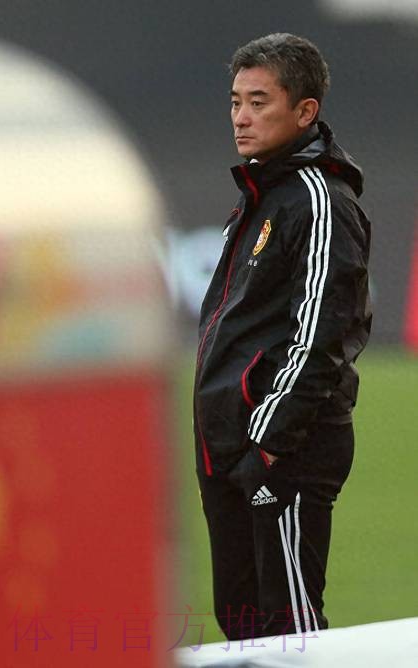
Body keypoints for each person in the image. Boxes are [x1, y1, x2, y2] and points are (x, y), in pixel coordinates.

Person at [193, 33, 371, 640]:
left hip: (282, 451)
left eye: (258, 102)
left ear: (304, 111)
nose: (240, 117)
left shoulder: (320, 201)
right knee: (242, 629)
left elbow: (322, 332)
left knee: (289, 629)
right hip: (230, 449)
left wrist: (267, 443)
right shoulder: (259, 197)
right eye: (235, 101)